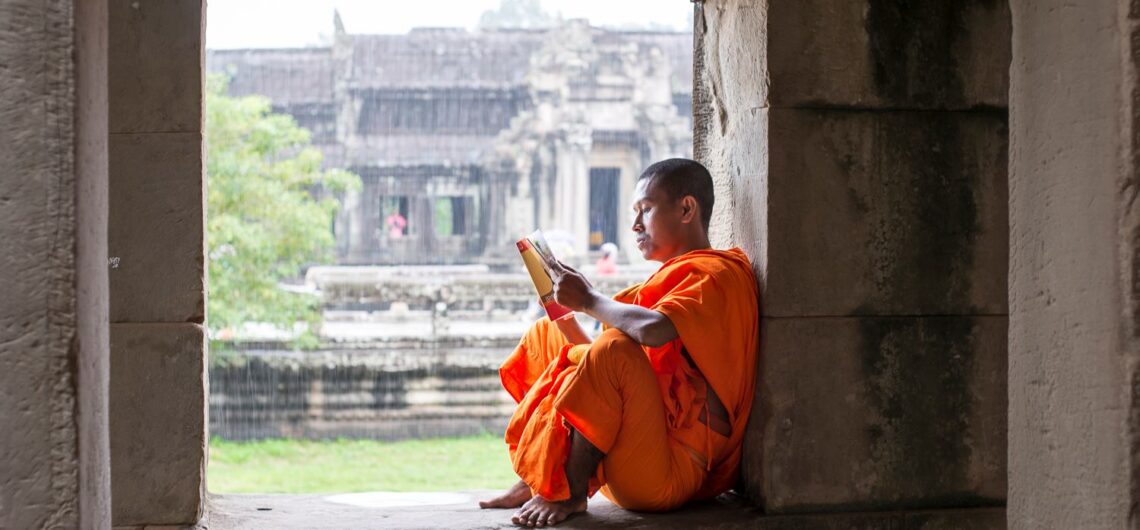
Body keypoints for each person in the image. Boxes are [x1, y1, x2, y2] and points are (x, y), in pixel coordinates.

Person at [479, 158, 759, 527]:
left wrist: (589, 299)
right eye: (634, 212)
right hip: (631, 449)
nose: (635, 224)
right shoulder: (668, 282)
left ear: (686, 209)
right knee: (547, 335)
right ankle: (541, 476)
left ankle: (569, 493)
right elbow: (600, 375)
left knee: (614, 349)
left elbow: (650, 332)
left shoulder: (718, 275)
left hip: (668, 471)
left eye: (646, 209)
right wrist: (564, 311)